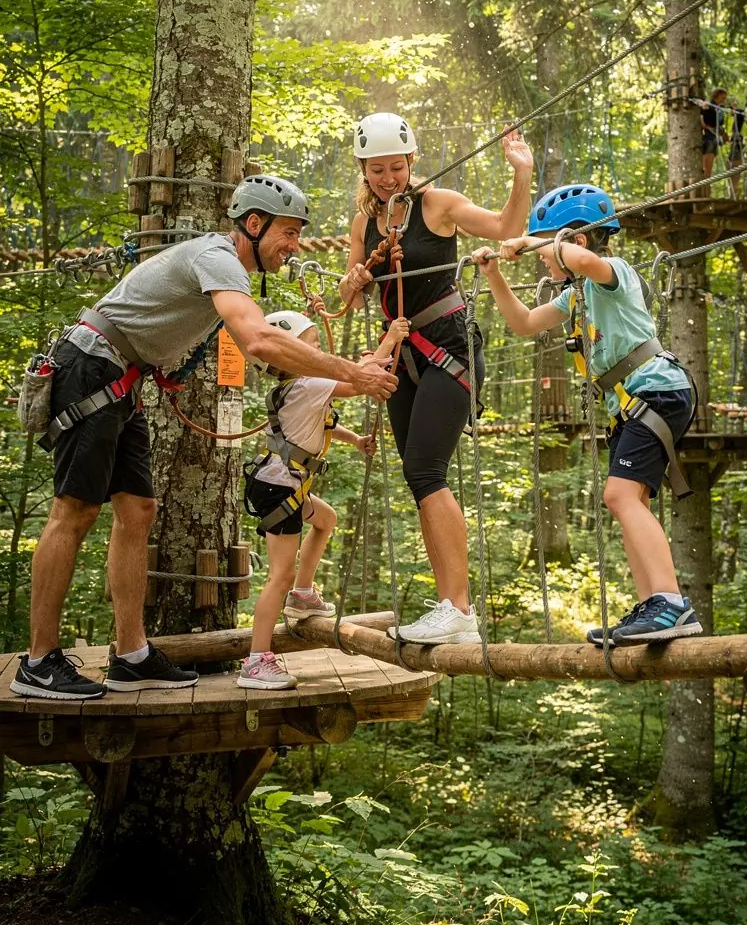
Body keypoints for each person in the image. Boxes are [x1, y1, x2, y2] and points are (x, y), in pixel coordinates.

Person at [12, 175, 397, 703]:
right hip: (93, 370)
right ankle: (38, 662)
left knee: (138, 510)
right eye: (287, 232)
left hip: (121, 377)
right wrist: (352, 372)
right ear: (254, 224)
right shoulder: (219, 258)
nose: (294, 245)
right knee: (74, 511)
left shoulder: (223, 267)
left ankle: (131, 655)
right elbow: (261, 341)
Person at [473, 183, 702, 647]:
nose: (541, 256)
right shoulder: (575, 297)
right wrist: (496, 273)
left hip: (656, 391)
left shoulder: (612, 272)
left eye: (548, 244)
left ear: (576, 240)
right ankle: (652, 607)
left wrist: (529, 240)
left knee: (619, 496)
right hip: (634, 404)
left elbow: (584, 262)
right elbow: (522, 323)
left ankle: (672, 604)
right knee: (625, 500)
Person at [338, 111, 533, 646]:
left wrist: (521, 174)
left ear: (410, 162)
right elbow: (350, 295)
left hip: (449, 347)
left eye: (395, 167)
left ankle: (459, 609)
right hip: (402, 356)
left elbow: (506, 231)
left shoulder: (437, 205)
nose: (387, 178)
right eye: (376, 170)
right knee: (418, 477)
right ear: (363, 169)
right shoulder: (365, 224)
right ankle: (451, 607)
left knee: (426, 470)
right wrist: (352, 278)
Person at [239, 308, 409, 690]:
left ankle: (303, 594)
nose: (319, 354)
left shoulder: (299, 388)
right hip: (281, 488)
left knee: (326, 519)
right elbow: (360, 382)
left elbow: (325, 421)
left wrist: (356, 441)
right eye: (311, 347)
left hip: (280, 483)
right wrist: (391, 339)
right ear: (289, 356)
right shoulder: (306, 385)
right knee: (278, 573)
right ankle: (256, 659)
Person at [700, 86, 728, 181]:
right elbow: (701, 117)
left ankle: (707, 181)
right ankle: (705, 180)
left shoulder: (720, 109)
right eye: (722, 97)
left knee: (711, 159)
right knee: (707, 161)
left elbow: (719, 124)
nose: (724, 99)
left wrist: (722, 133)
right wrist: (704, 125)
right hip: (708, 137)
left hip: (714, 136)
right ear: (716, 96)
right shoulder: (709, 106)